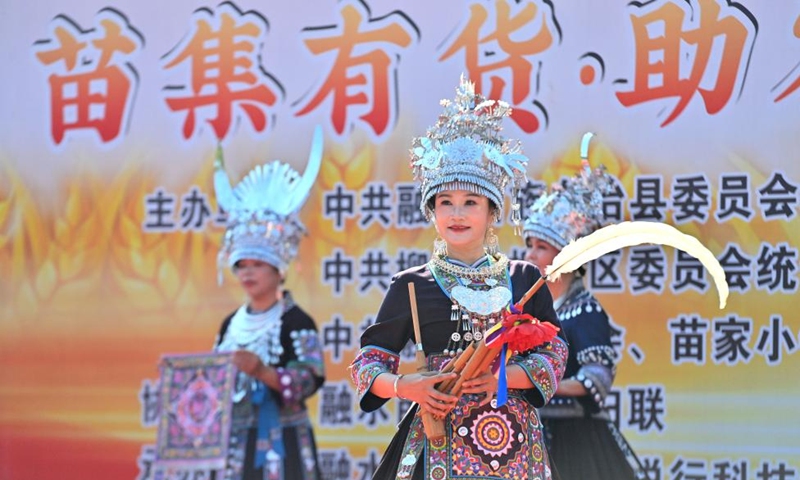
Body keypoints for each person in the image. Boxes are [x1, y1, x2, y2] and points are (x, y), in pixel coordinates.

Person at [349, 77, 568, 480]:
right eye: (445, 203)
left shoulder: (524, 278)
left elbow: (555, 355)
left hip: (515, 445)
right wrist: (406, 387)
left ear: (491, 211)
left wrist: (501, 378)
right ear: (432, 212)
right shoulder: (411, 285)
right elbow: (368, 364)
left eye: (470, 202)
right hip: (438, 440)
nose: (457, 214)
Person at [522, 156, 649, 480]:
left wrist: (543, 382)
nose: (530, 255)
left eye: (541, 247)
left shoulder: (585, 310)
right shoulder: (524, 312)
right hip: (527, 433)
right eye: (530, 246)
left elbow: (598, 377)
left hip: (574, 438)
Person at [213, 128, 326, 480]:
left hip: (283, 441)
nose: (248, 273)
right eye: (242, 266)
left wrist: (263, 372)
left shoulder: (297, 321)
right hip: (233, 443)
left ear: (279, 270)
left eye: (257, 264)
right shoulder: (230, 323)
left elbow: (311, 377)